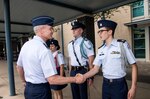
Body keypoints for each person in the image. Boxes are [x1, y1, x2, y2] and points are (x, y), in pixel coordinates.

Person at [16, 16, 82, 99]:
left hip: (29, 89)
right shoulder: (44, 50)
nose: (52, 31)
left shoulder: (26, 45)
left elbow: (19, 67)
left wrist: (23, 81)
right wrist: (75, 79)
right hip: (41, 91)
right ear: (41, 30)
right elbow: (52, 79)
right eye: (50, 29)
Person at [77, 19, 138, 99]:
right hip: (105, 84)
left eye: (102, 31)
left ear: (110, 32)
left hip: (119, 85)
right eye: (99, 32)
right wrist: (84, 76)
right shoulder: (101, 49)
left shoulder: (122, 45)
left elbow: (134, 66)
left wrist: (133, 87)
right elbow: (95, 69)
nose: (99, 34)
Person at [68, 21, 95, 99]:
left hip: (82, 70)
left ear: (81, 30)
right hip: (73, 71)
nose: (73, 31)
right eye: (73, 29)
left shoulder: (86, 43)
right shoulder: (70, 44)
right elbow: (70, 60)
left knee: (83, 95)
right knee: (75, 94)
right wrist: (70, 73)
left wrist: (91, 77)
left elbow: (91, 61)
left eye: (75, 29)